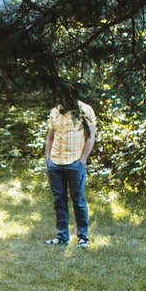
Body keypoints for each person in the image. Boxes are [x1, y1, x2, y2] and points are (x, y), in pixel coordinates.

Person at [44, 83, 97, 247]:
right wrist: (48, 159)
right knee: (59, 201)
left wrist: (82, 160)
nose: (62, 98)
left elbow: (90, 137)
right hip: (55, 163)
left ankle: (83, 238)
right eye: (59, 95)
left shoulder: (85, 110)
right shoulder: (55, 111)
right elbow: (50, 137)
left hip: (75, 163)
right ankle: (62, 237)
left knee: (78, 201)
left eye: (65, 95)